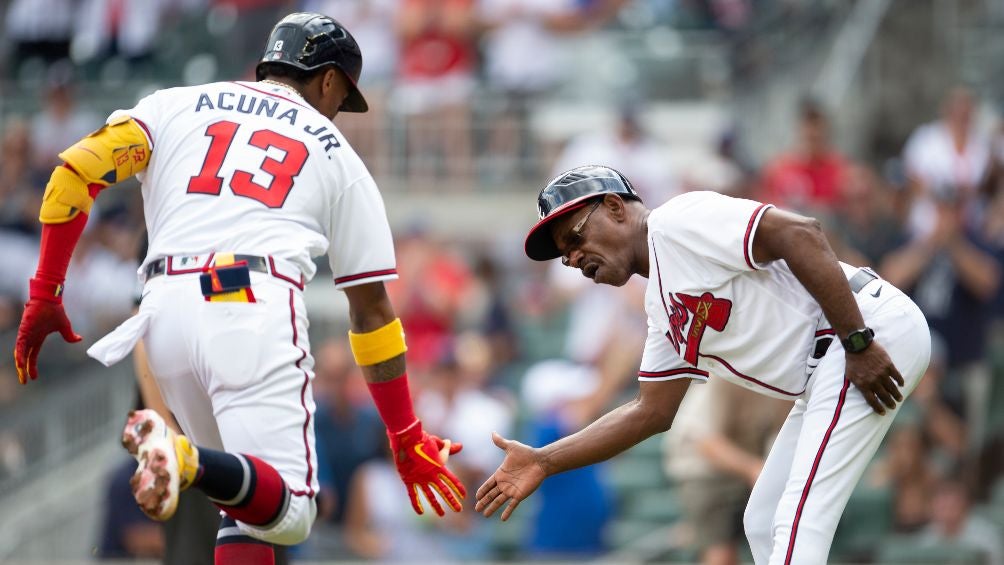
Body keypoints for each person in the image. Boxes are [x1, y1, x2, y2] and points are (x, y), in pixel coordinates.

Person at [12, 12, 465, 565]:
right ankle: (183, 457)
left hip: (162, 313)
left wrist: (44, 292)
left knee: (247, 503)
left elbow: (71, 176)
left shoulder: (172, 103)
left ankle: (186, 456)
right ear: (329, 81)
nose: (339, 111)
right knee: (294, 511)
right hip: (247, 302)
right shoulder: (336, 153)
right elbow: (370, 312)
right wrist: (405, 433)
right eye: (343, 97)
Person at [475, 165, 932, 565]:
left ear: (616, 207)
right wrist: (546, 460)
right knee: (764, 517)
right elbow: (650, 412)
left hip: (861, 331)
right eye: (564, 254)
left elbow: (800, 233)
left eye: (574, 237)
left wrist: (858, 341)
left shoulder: (675, 223)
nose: (572, 257)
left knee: (798, 517)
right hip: (832, 358)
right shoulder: (661, 305)